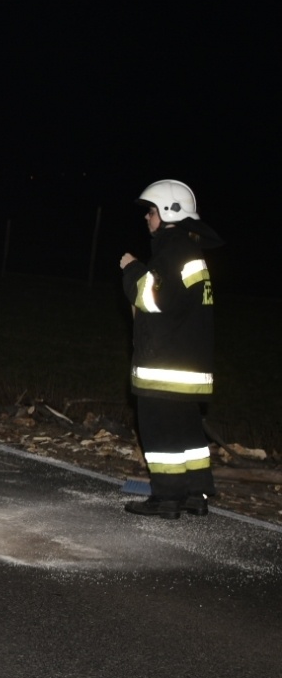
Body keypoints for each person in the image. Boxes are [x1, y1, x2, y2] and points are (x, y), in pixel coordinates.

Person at [119, 179, 220, 518]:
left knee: (159, 433)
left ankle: (166, 498)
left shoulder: (172, 251)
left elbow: (150, 297)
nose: (147, 218)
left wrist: (131, 267)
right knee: (187, 431)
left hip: (164, 366)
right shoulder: (192, 252)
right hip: (188, 366)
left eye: (150, 211)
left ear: (166, 212)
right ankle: (195, 493)